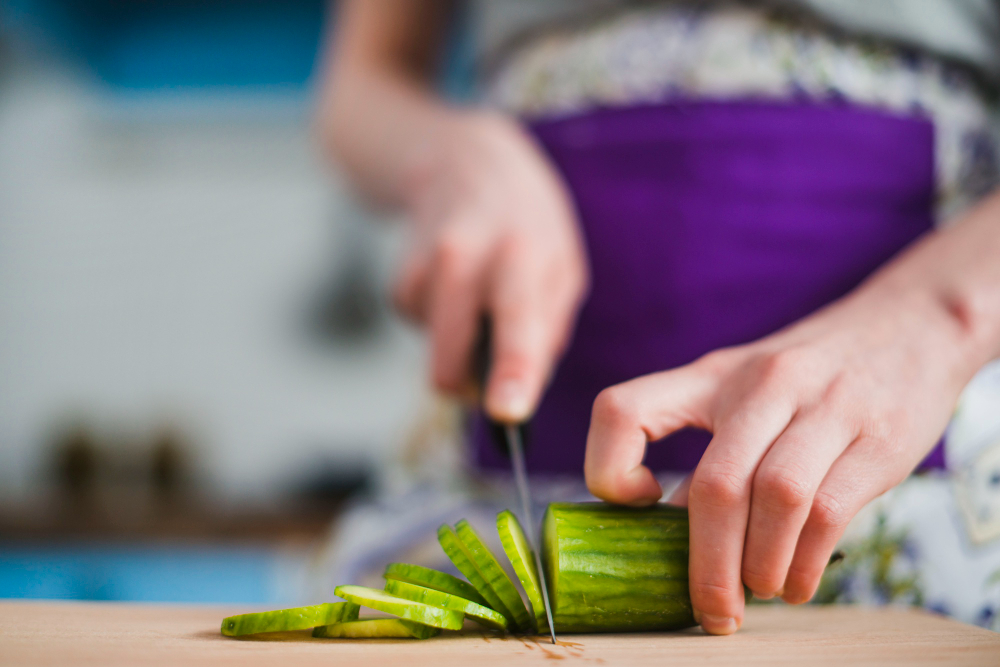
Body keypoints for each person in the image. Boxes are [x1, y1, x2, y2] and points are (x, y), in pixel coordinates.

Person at [317, 0, 1000, 635]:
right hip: (494, 486)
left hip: (926, 472)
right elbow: (363, 82)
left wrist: (938, 316)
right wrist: (450, 153)